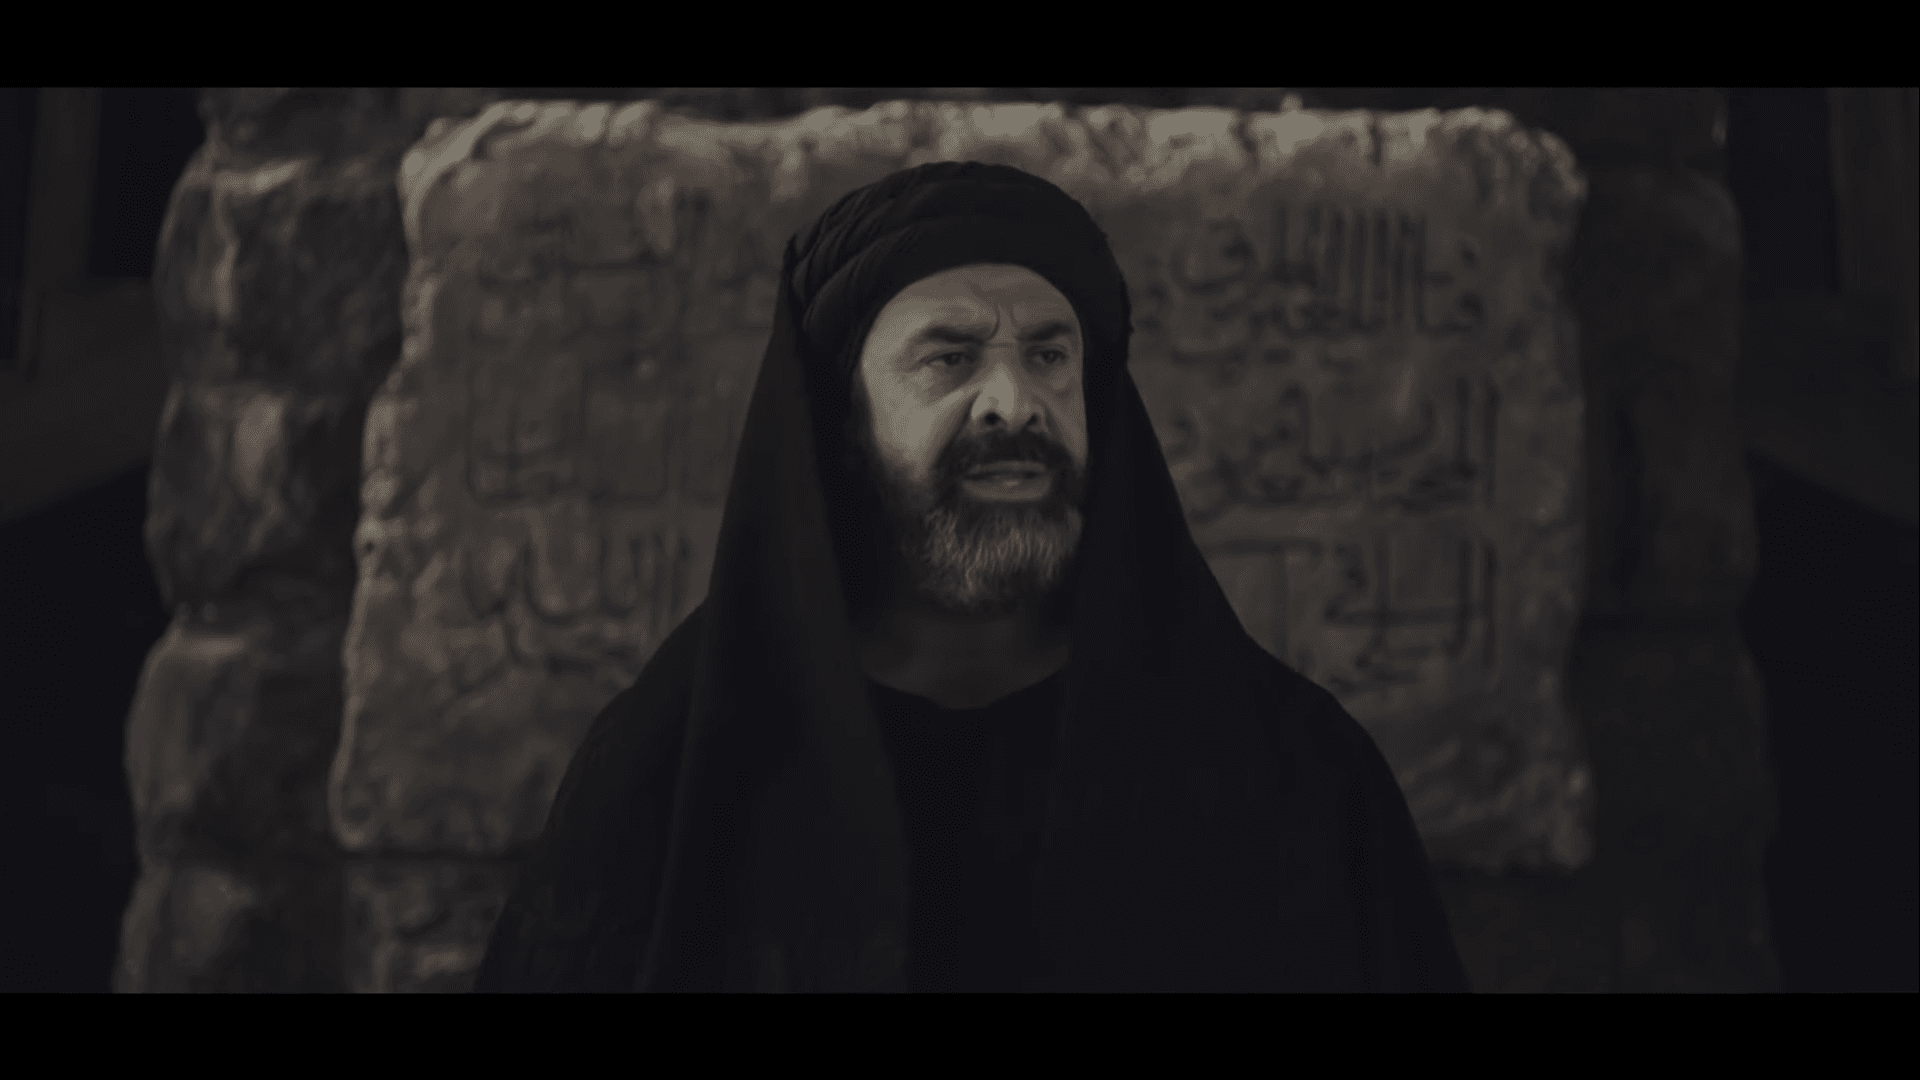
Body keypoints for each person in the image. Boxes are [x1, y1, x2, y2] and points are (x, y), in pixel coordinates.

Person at [472, 161, 1470, 993]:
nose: (1014, 402)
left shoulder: (1295, 772)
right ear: (842, 429)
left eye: (1049, 356)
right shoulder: (672, 766)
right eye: (949, 359)